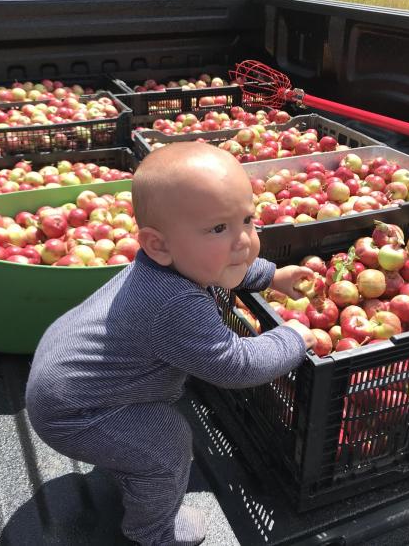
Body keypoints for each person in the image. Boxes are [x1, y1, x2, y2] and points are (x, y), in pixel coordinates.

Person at [26, 141, 316, 546]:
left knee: (146, 441)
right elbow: (235, 366)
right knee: (167, 446)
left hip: (68, 381)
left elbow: (226, 268)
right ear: (158, 245)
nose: (244, 241)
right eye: (219, 228)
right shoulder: (174, 302)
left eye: (247, 219)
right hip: (78, 412)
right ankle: (154, 531)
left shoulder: (172, 266)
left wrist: (269, 276)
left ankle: (129, 464)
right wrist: (292, 339)